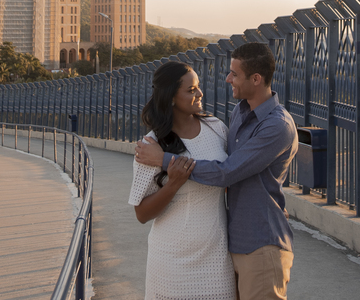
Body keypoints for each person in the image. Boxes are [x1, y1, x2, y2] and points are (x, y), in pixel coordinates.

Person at [135, 42, 298, 300]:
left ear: (256, 79)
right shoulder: (239, 114)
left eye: (235, 74)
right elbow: (141, 210)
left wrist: (166, 160)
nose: (227, 79)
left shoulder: (277, 126)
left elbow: (226, 172)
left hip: (260, 243)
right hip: (230, 246)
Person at [128, 61, 237, 300]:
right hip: (170, 261)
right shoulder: (151, 145)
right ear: (170, 97)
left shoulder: (217, 128)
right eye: (190, 90)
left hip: (217, 257)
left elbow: (232, 173)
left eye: (198, 87)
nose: (199, 93)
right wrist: (174, 184)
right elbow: (142, 214)